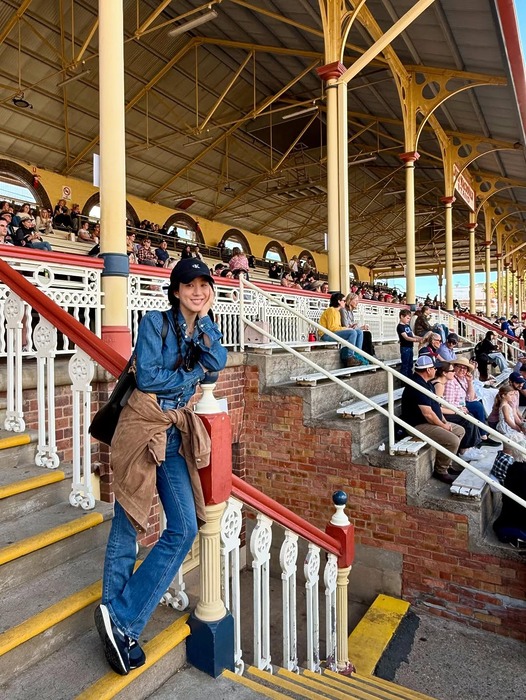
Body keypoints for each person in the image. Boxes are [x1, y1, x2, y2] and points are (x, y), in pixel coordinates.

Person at [94, 258, 227, 676]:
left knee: (184, 528)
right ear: (176, 290)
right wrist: (192, 374)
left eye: (204, 285)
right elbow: (149, 379)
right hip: (141, 424)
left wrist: (204, 328)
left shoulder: (204, 327)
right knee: (128, 521)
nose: (198, 291)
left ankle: (119, 616)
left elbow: (219, 360)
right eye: (190, 285)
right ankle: (121, 628)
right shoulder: (155, 322)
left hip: (172, 432)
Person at [400, 355, 465, 484]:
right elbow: (428, 414)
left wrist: (444, 421)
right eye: (434, 368)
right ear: (428, 370)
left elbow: (435, 407)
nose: (436, 370)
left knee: (460, 430)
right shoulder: (417, 385)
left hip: (429, 422)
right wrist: (443, 425)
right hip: (417, 425)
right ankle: (441, 471)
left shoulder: (427, 382)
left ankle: (447, 463)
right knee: (452, 440)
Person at [318, 292, 365, 367]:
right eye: (344, 300)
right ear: (339, 301)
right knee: (352, 333)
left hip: (332, 333)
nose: (345, 302)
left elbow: (337, 327)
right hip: (326, 334)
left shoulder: (337, 312)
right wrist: (346, 328)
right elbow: (332, 328)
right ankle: (350, 357)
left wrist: (347, 328)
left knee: (359, 332)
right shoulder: (331, 310)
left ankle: (357, 355)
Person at [495, 385, 526, 460]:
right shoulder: (505, 406)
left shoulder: (507, 404)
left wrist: (520, 423)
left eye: (513, 394)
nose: (513, 397)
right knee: (510, 447)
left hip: (508, 426)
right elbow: (507, 419)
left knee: (508, 448)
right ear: (503, 395)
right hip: (507, 428)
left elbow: (513, 416)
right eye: (510, 395)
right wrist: (516, 427)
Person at [341, 293, 375, 357]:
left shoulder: (350, 311)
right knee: (363, 333)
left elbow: (352, 325)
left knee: (367, 334)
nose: (357, 302)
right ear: (350, 300)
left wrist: (359, 327)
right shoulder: (343, 310)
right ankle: (360, 355)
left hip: (351, 330)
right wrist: (360, 328)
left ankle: (370, 355)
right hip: (345, 331)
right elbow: (346, 326)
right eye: (356, 300)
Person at [397, 309, 423, 377]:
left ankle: (410, 377)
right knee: (405, 364)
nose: (408, 320)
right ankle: (404, 379)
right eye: (407, 318)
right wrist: (417, 340)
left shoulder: (407, 326)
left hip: (410, 347)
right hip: (405, 347)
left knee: (410, 363)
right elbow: (406, 337)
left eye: (409, 318)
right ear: (402, 316)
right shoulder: (400, 327)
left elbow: (413, 335)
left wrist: (421, 338)